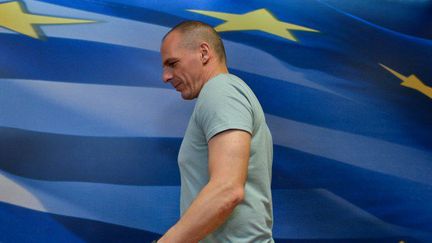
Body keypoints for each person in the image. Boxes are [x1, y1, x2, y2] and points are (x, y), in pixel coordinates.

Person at [157, 20, 274, 243]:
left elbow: (227, 190)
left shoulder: (221, 91)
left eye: (172, 63)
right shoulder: (224, 92)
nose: (166, 76)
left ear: (203, 53)